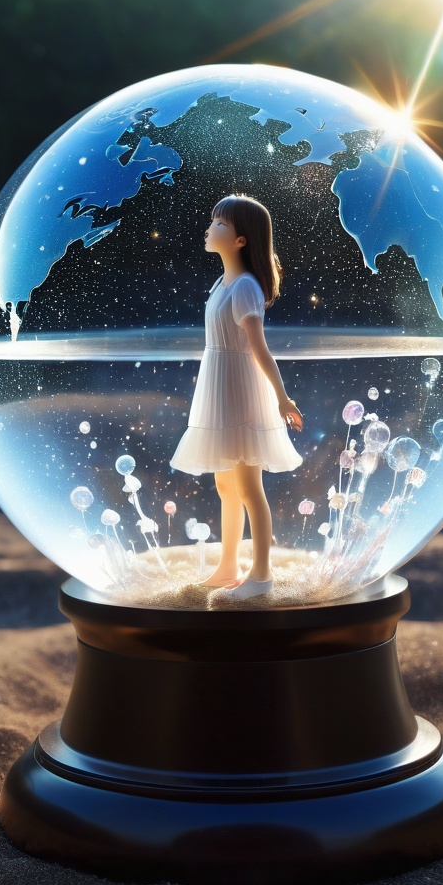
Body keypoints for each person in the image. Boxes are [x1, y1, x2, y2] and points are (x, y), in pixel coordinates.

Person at [170, 194, 303, 600]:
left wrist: (282, 398)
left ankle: (261, 577)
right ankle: (228, 565)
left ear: (241, 240)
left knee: (249, 487)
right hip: (219, 386)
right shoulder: (221, 284)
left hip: (241, 390)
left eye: (219, 224)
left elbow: (259, 349)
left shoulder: (245, 287)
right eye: (213, 221)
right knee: (226, 486)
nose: (209, 229)